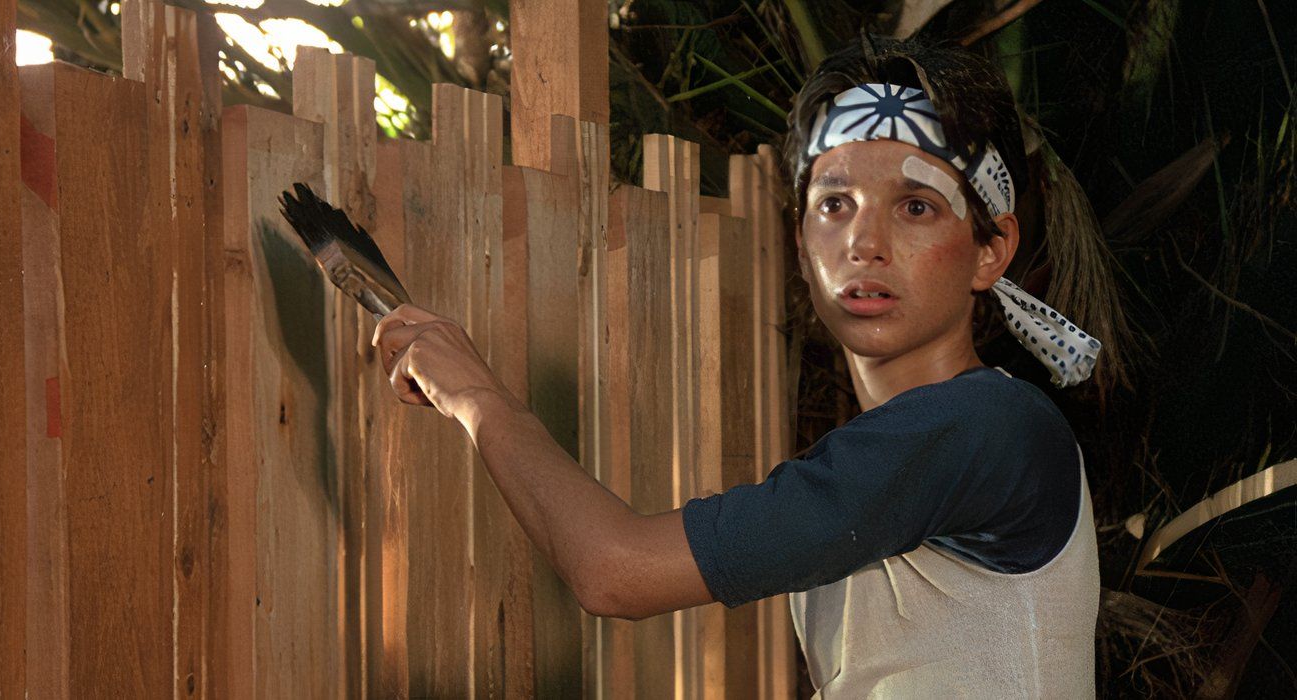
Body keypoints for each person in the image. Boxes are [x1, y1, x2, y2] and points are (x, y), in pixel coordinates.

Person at [372, 34, 1116, 698]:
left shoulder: (983, 429)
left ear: (992, 249)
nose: (865, 241)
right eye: (835, 204)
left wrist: (475, 394)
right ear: (800, 241)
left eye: (916, 206)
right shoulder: (904, 449)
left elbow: (615, 571)